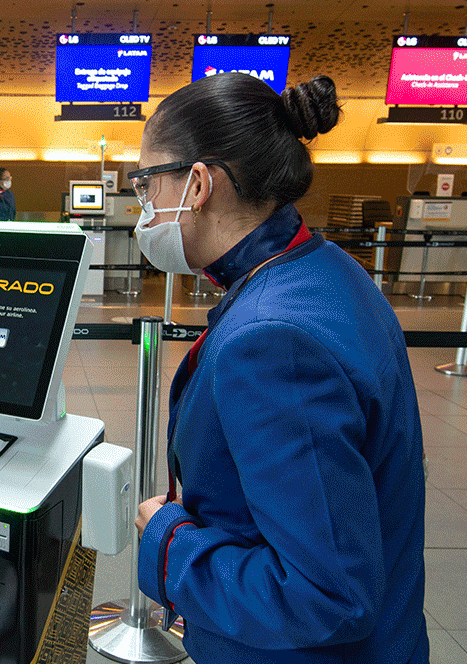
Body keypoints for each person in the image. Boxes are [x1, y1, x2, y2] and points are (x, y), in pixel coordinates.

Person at [131, 72, 429, 663]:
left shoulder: (271, 341)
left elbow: (324, 596)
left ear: (196, 184)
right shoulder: (325, 271)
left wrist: (168, 542)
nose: (143, 208)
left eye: (146, 183)